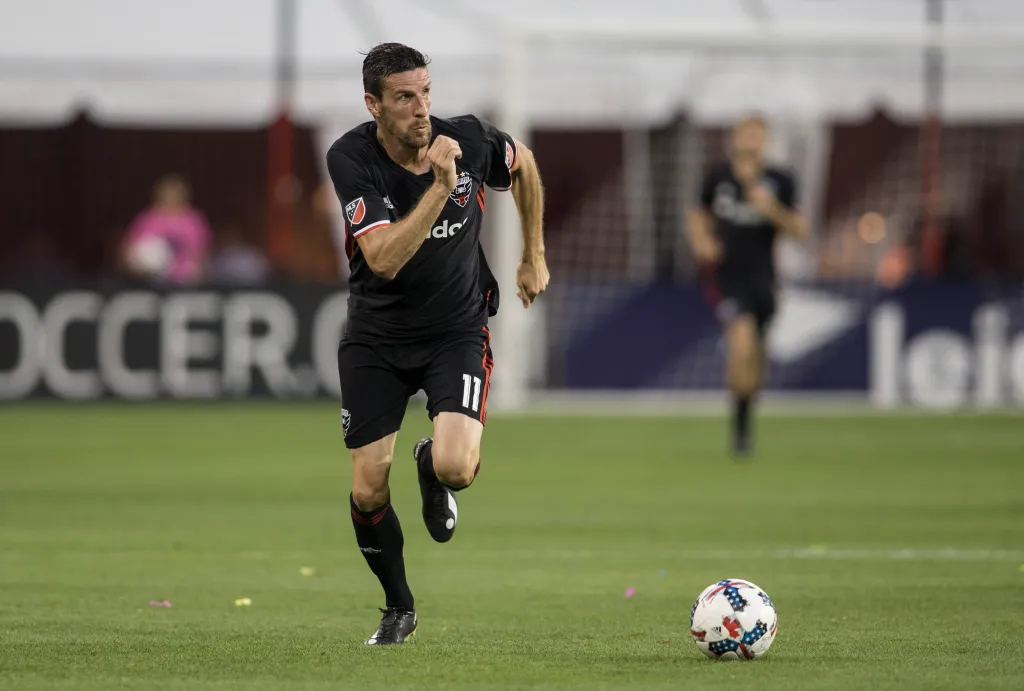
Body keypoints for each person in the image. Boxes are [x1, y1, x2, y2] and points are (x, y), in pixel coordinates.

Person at [326, 43, 548, 645]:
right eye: (404, 97)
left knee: (457, 466)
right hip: (377, 334)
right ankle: (398, 607)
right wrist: (440, 187)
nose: (421, 109)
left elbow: (523, 164)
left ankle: (431, 465)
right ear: (374, 104)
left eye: (425, 92)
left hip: (456, 329)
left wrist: (533, 254)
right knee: (368, 484)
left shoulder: (469, 139)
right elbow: (383, 258)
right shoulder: (351, 159)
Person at [687, 115, 805, 456]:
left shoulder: (779, 179)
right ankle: (739, 435)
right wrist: (702, 242)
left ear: (765, 139)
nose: (752, 140)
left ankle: (745, 418)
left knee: (756, 357)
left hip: (765, 276)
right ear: (735, 137)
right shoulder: (718, 177)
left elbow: (799, 229)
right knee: (741, 345)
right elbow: (698, 215)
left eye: (758, 135)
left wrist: (771, 210)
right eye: (746, 134)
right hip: (728, 276)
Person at [120, 175, 211, 285]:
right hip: (152, 281)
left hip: (185, 281)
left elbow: (202, 251)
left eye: (175, 195)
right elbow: (129, 251)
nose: (171, 198)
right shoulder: (147, 219)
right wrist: (137, 264)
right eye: (167, 195)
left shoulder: (194, 220)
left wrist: (198, 269)